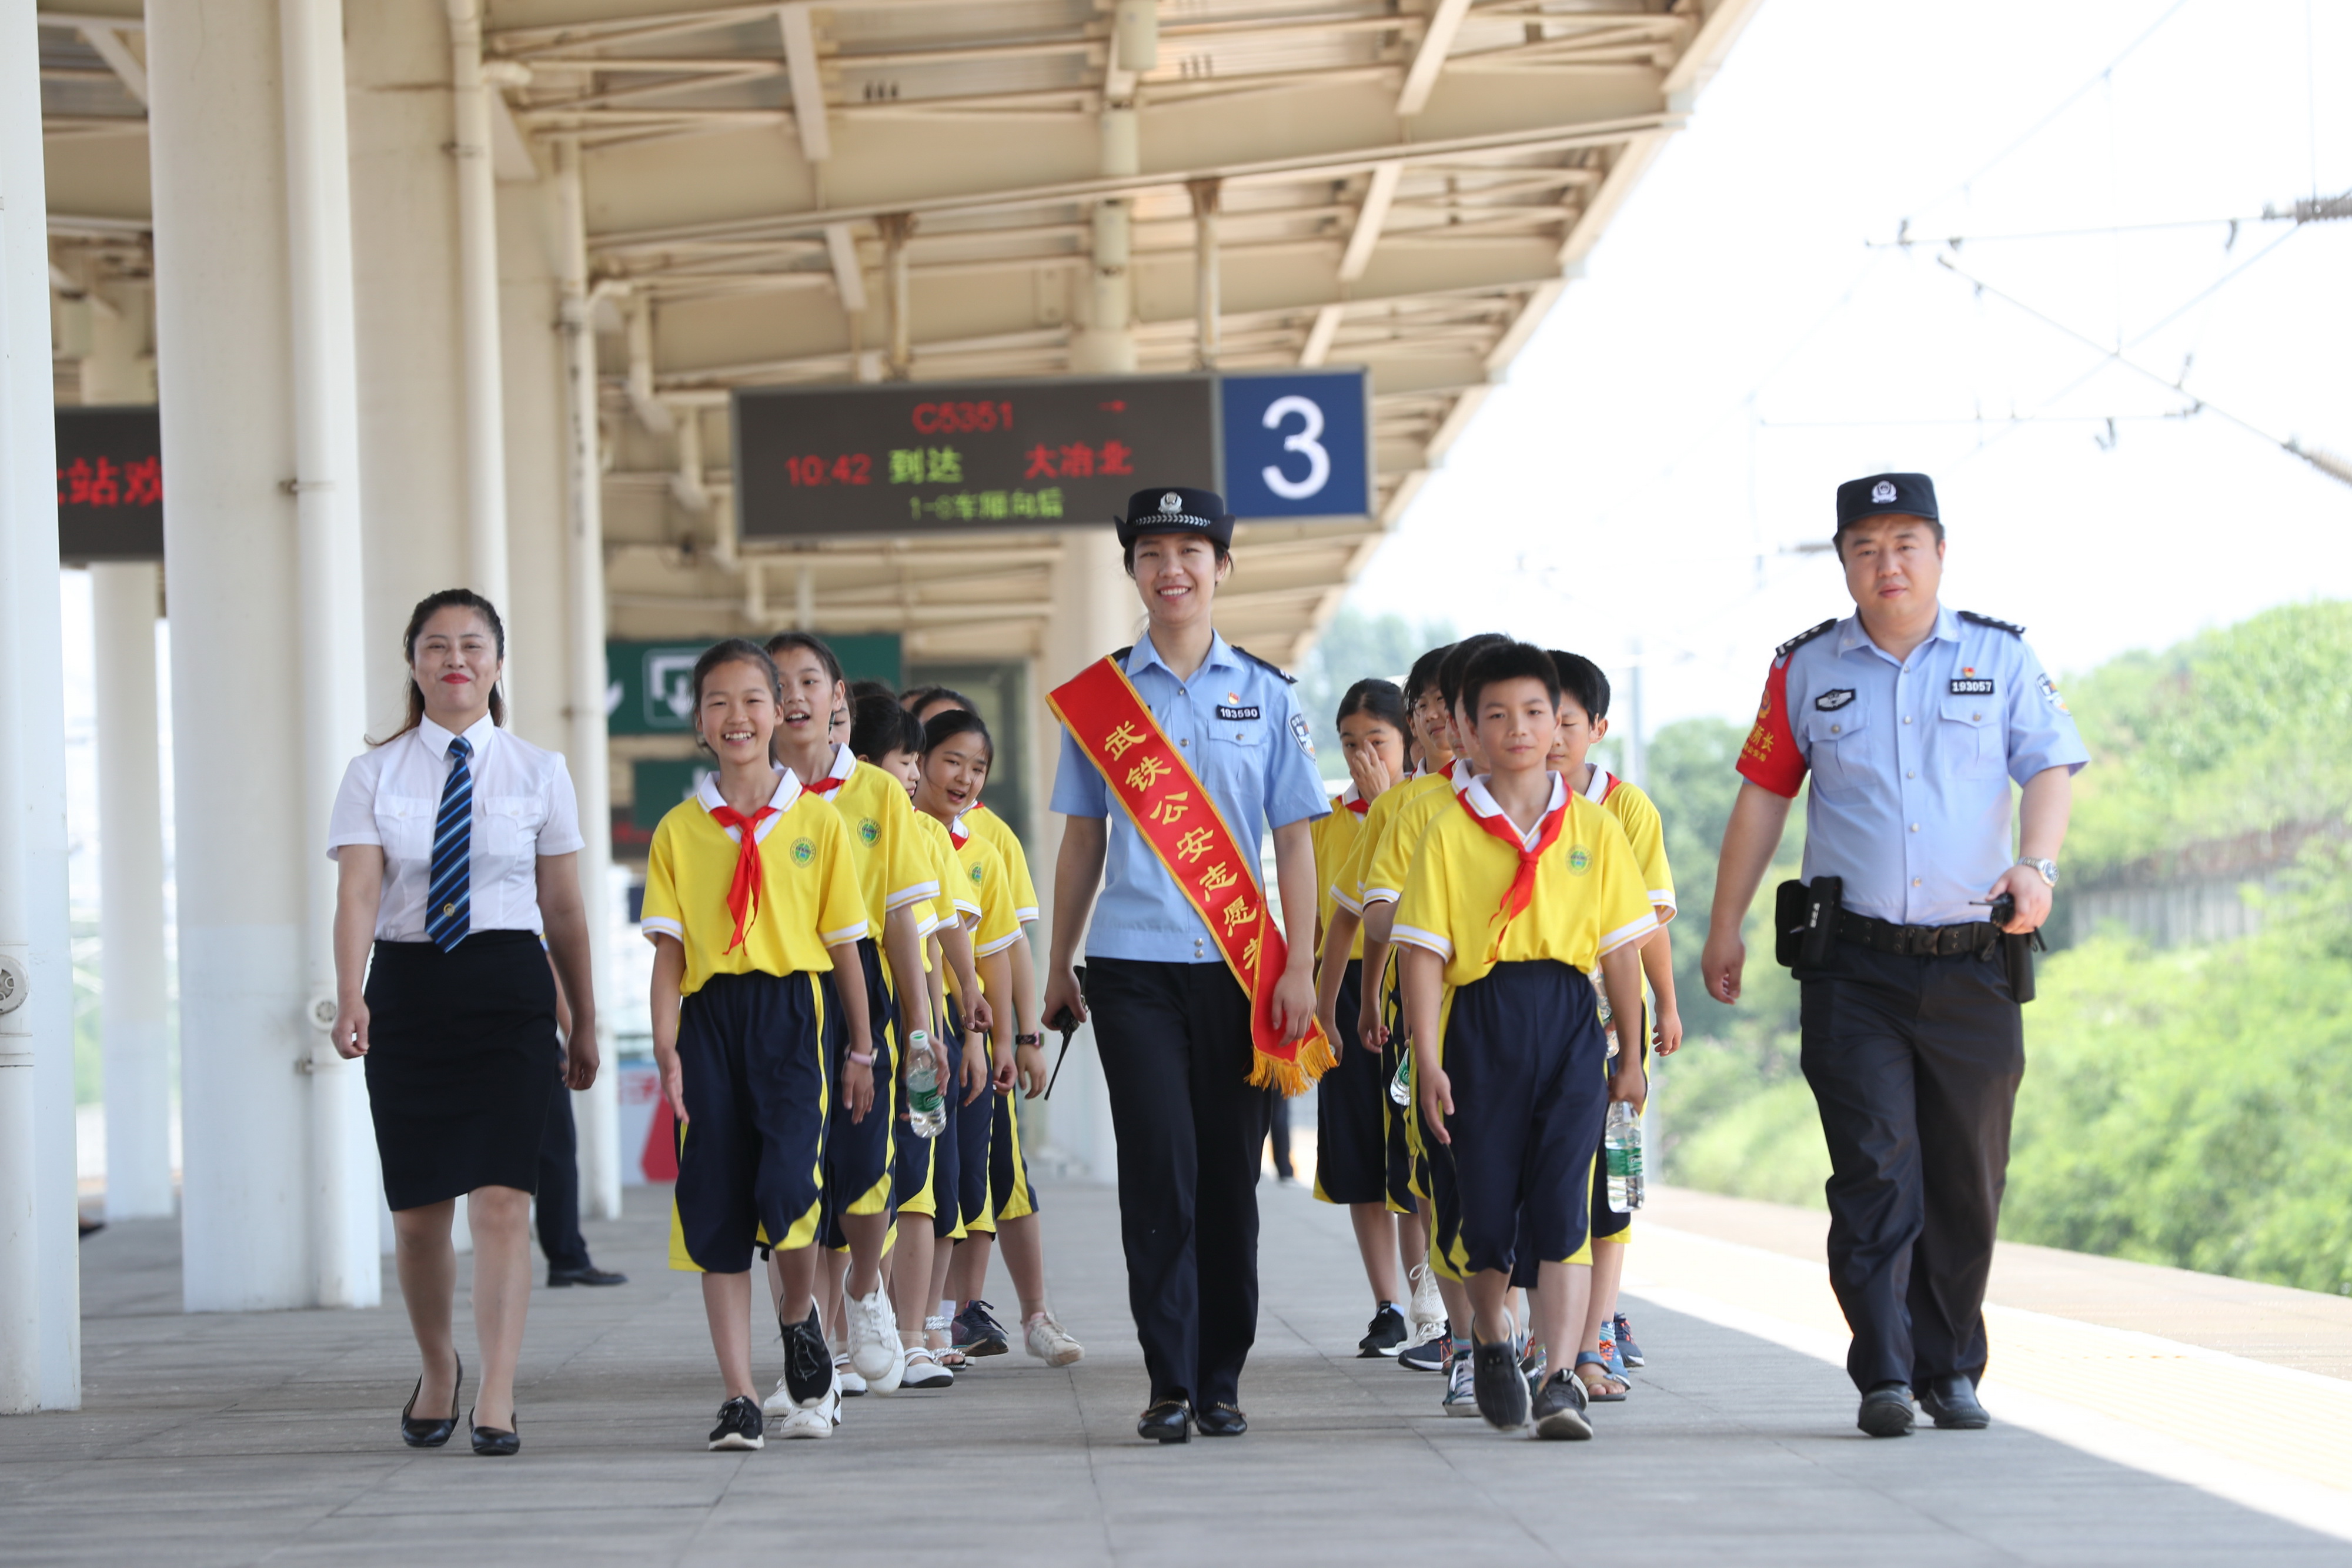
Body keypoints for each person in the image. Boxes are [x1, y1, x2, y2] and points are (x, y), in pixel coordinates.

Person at [1699, 473, 2084, 1439]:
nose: (1889, 564)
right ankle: (1884, 1370)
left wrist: (2037, 866)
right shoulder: (1804, 671)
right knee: (1875, 1168)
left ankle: (1951, 1367)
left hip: (1974, 961)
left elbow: (2048, 762)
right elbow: (1763, 795)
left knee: (1964, 1173)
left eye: (1907, 543)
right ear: (1843, 564)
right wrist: (1724, 923)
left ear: (1942, 552)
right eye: (1867, 548)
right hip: (1854, 966)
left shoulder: (2000, 659)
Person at [1043, 485, 1329, 1443]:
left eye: (1190, 552)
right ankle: (1169, 1378)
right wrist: (1059, 962)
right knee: (1158, 1171)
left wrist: (1298, 963)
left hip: (1244, 969)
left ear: (1220, 568)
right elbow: (1082, 842)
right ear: (1133, 568)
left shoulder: (1270, 693)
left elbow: (1295, 840)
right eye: (1152, 552)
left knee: (1225, 1181)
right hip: (1130, 968)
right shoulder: (1102, 701)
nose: (1172, 569)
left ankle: (1221, 1377)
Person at [328, 588, 599, 1458]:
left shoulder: (539, 770)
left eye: (473, 644)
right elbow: (361, 891)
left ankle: (498, 1389)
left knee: (503, 1202)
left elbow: (563, 909)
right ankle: (438, 1364)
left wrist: (584, 1016)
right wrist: (351, 986)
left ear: (497, 661)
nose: (456, 657)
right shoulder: (373, 773)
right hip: (408, 987)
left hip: (509, 986)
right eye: (437, 644)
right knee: (417, 1211)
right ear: (413, 662)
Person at [1392, 640, 1658, 1440]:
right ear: (1465, 729)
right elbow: (1423, 953)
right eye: (1497, 714)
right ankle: (1491, 1333)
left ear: (1559, 723)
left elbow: (1620, 949)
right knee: (1484, 1204)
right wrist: (1430, 1056)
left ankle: (1561, 1376)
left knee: (1563, 1203)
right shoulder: (1448, 829)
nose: (1519, 728)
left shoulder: (1596, 828)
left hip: (1570, 1021)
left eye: (1536, 712)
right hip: (1481, 1021)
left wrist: (1632, 1055)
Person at [642, 638, 873, 1449]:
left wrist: (863, 1048)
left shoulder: (818, 822)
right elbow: (670, 954)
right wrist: (664, 1045)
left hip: (794, 1013)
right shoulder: (679, 830)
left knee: (790, 1185)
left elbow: (846, 943)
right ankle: (739, 1393)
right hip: (709, 1018)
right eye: (717, 701)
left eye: (752, 699)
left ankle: (799, 1317)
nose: (736, 716)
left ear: (781, 712)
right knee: (715, 1198)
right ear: (699, 721)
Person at [762, 633, 940, 1400]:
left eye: (811, 679)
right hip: (776, 986)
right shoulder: (749, 795)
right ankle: (810, 1347)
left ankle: (868, 1290)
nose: (796, 694)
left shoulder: (874, 792)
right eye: (781, 681)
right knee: (791, 1172)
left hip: (860, 985)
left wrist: (925, 1027)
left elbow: (904, 920)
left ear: (839, 697)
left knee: (867, 1158)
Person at [902, 686, 1083, 1369]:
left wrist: (1020, 1037)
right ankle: (911, 1320)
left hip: (970, 1031)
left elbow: (1006, 944)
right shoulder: (894, 826)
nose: (956, 775)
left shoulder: (993, 837)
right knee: (925, 1175)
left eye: (972, 763)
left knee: (988, 1175)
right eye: (937, 752)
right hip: (917, 1024)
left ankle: (998, 1311)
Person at [1543, 650, 1678, 1401]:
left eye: (1566, 721)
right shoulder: (1503, 809)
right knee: (1551, 1179)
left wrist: (1661, 1007)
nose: (1551, 735)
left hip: (1609, 1021)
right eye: (1539, 717)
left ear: (1595, 727)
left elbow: (1647, 923)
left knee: (1611, 1186)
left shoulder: (1626, 810)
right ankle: (1548, 1337)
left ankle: (1596, 1337)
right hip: (1536, 1021)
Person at [1307, 678, 1426, 1356]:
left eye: (1375, 742)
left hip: (1412, 977)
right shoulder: (1325, 818)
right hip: (1344, 985)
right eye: (1349, 743)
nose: (1361, 756)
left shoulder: (1429, 809)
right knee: (1355, 1144)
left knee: (1412, 1144)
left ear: (1406, 741)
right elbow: (1326, 918)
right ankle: (1387, 1302)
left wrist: (1390, 806)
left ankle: (1427, 1295)